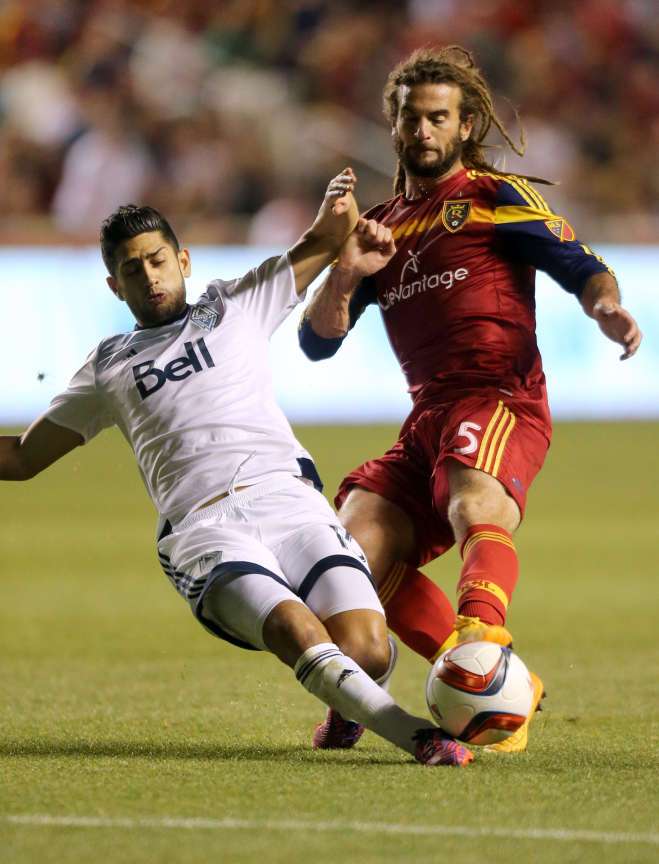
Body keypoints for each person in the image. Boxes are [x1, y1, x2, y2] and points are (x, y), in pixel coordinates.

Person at [0, 171, 474, 768]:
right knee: (296, 631)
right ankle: (417, 738)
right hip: (205, 530)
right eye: (131, 269)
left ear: (183, 260)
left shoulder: (234, 304)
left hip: (289, 500)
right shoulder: (107, 366)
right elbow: (20, 457)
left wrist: (338, 205)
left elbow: (323, 242)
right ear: (114, 287)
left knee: (368, 652)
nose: (148, 276)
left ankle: (349, 701)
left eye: (157, 260)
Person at [299, 46, 642, 753]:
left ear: (462, 126)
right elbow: (315, 344)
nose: (421, 130)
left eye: (436, 118)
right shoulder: (380, 231)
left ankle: (483, 638)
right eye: (409, 119)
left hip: (498, 397)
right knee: (343, 556)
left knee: (470, 499)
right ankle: (442, 689)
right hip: (425, 417)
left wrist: (604, 307)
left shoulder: (496, 198)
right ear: (392, 128)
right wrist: (342, 275)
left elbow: (579, 264)